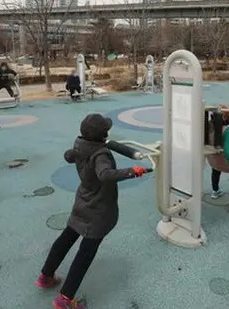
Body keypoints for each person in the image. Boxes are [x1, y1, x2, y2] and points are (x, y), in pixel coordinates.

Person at [36, 114, 151, 309]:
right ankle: (64, 299)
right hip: (97, 209)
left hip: (82, 202)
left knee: (66, 239)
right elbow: (105, 174)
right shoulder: (100, 154)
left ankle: (46, 276)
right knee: (85, 254)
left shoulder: (80, 144)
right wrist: (132, 171)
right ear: (102, 135)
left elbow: (70, 155)